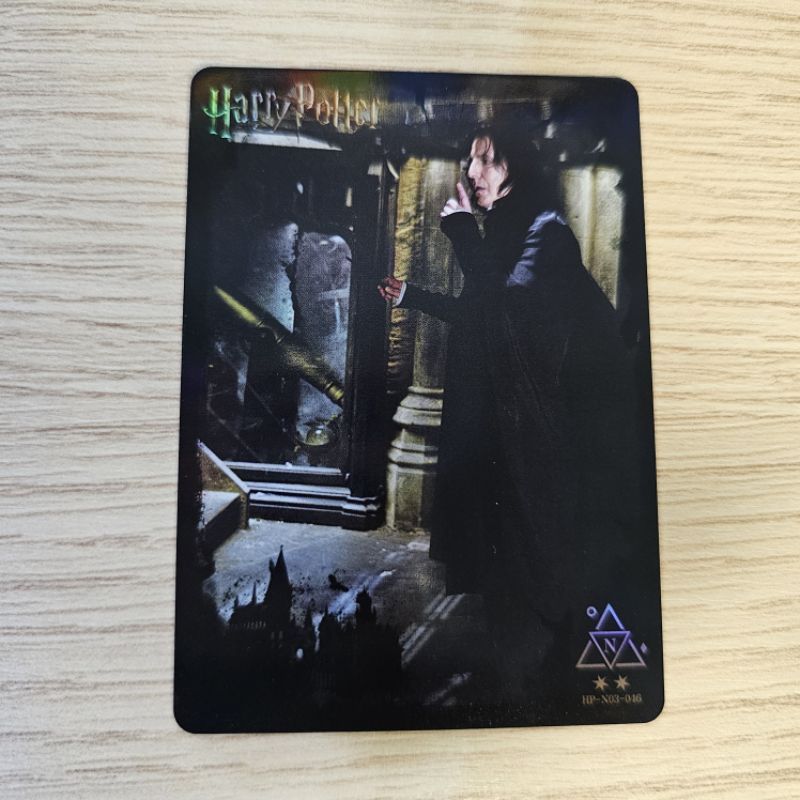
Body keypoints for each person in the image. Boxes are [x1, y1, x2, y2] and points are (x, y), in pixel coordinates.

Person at [379, 126, 640, 703]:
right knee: (504, 561)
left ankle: (541, 683)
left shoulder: (545, 231)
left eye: (488, 161)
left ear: (515, 167)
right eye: (472, 161)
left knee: (538, 560)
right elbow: (477, 312)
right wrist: (410, 296)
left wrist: (458, 230)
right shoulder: (504, 227)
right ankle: (515, 675)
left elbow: (507, 303)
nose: (474, 173)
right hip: (506, 422)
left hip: (542, 429)